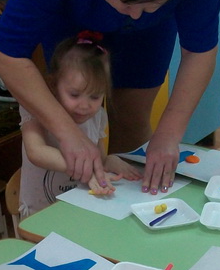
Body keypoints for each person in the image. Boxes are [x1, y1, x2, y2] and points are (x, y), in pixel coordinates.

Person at [0, 0, 220, 195]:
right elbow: (5, 53)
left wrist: (169, 134)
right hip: (70, 13)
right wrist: (68, 134)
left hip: (153, 31)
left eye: (151, 5)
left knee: (133, 115)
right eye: (127, 2)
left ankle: (124, 204)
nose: (135, 15)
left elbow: (200, 50)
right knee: (73, 111)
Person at [20, 31, 141, 216]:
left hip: (78, 210)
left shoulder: (97, 116)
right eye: (74, 95)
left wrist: (109, 161)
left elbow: (98, 158)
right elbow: (36, 152)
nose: (85, 106)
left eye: (95, 96)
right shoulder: (35, 109)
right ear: (54, 85)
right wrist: (87, 168)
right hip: (39, 212)